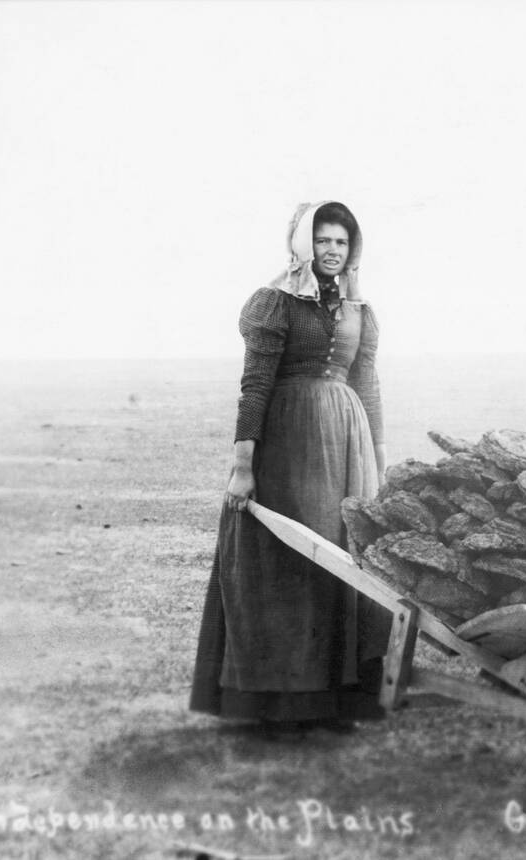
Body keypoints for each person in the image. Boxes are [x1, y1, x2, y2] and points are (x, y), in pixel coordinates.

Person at [190, 200, 391, 737]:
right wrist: (242, 466)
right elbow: (254, 386)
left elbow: (366, 385)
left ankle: (333, 702)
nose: (332, 251)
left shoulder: (359, 309)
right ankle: (278, 706)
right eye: (323, 240)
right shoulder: (274, 303)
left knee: (341, 563)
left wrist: (377, 455)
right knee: (288, 565)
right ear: (302, 242)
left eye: (341, 242)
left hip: (345, 446)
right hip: (287, 445)